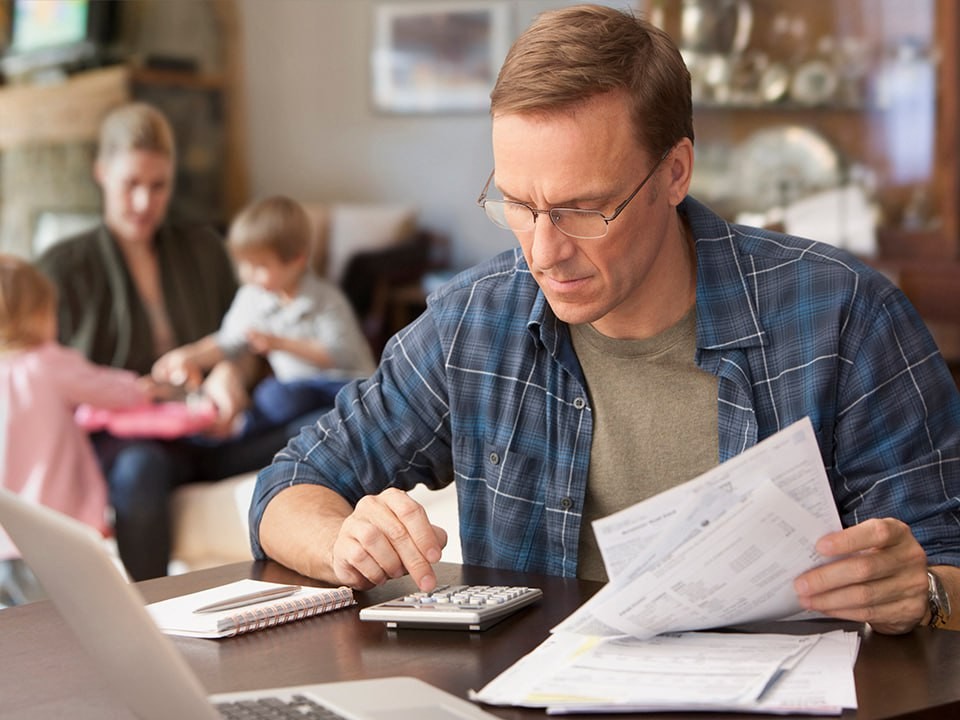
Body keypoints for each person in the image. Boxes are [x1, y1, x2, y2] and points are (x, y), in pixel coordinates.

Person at [251, 5, 960, 634]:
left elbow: (947, 567)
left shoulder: (844, 316)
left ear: (675, 173)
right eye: (519, 206)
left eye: (584, 209)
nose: (544, 251)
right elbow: (288, 487)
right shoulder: (476, 321)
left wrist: (923, 590)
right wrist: (342, 541)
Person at [34, 102, 302, 581]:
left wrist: (228, 375)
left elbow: (243, 342)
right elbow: (47, 379)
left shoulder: (204, 249)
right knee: (140, 472)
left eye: (158, 186)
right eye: (130, 185)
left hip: (211, 430)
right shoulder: (61, 269)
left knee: (325, 418)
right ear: (101, 173)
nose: (144, 203)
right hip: (129, 443)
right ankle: (152, 619)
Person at [0, 255, 155, 604]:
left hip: (4, 543)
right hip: (50, 540)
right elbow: (111, 390)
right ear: (39, 315)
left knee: (18, 642)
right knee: (67, 632)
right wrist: (145, 386)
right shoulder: (46, 363)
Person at [152, 195, 375, 437]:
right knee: (275, 399)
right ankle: (229, 433)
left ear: (297, 260)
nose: (248, 275)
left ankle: (245, 430)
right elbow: (228, 342)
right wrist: (190, 356)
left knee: (276, 396)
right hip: (298, 392)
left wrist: (279, 343)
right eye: (243, 265)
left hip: (344, 386)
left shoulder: (327, 300)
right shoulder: (253, 297)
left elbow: (339, 354)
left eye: (260, 266)